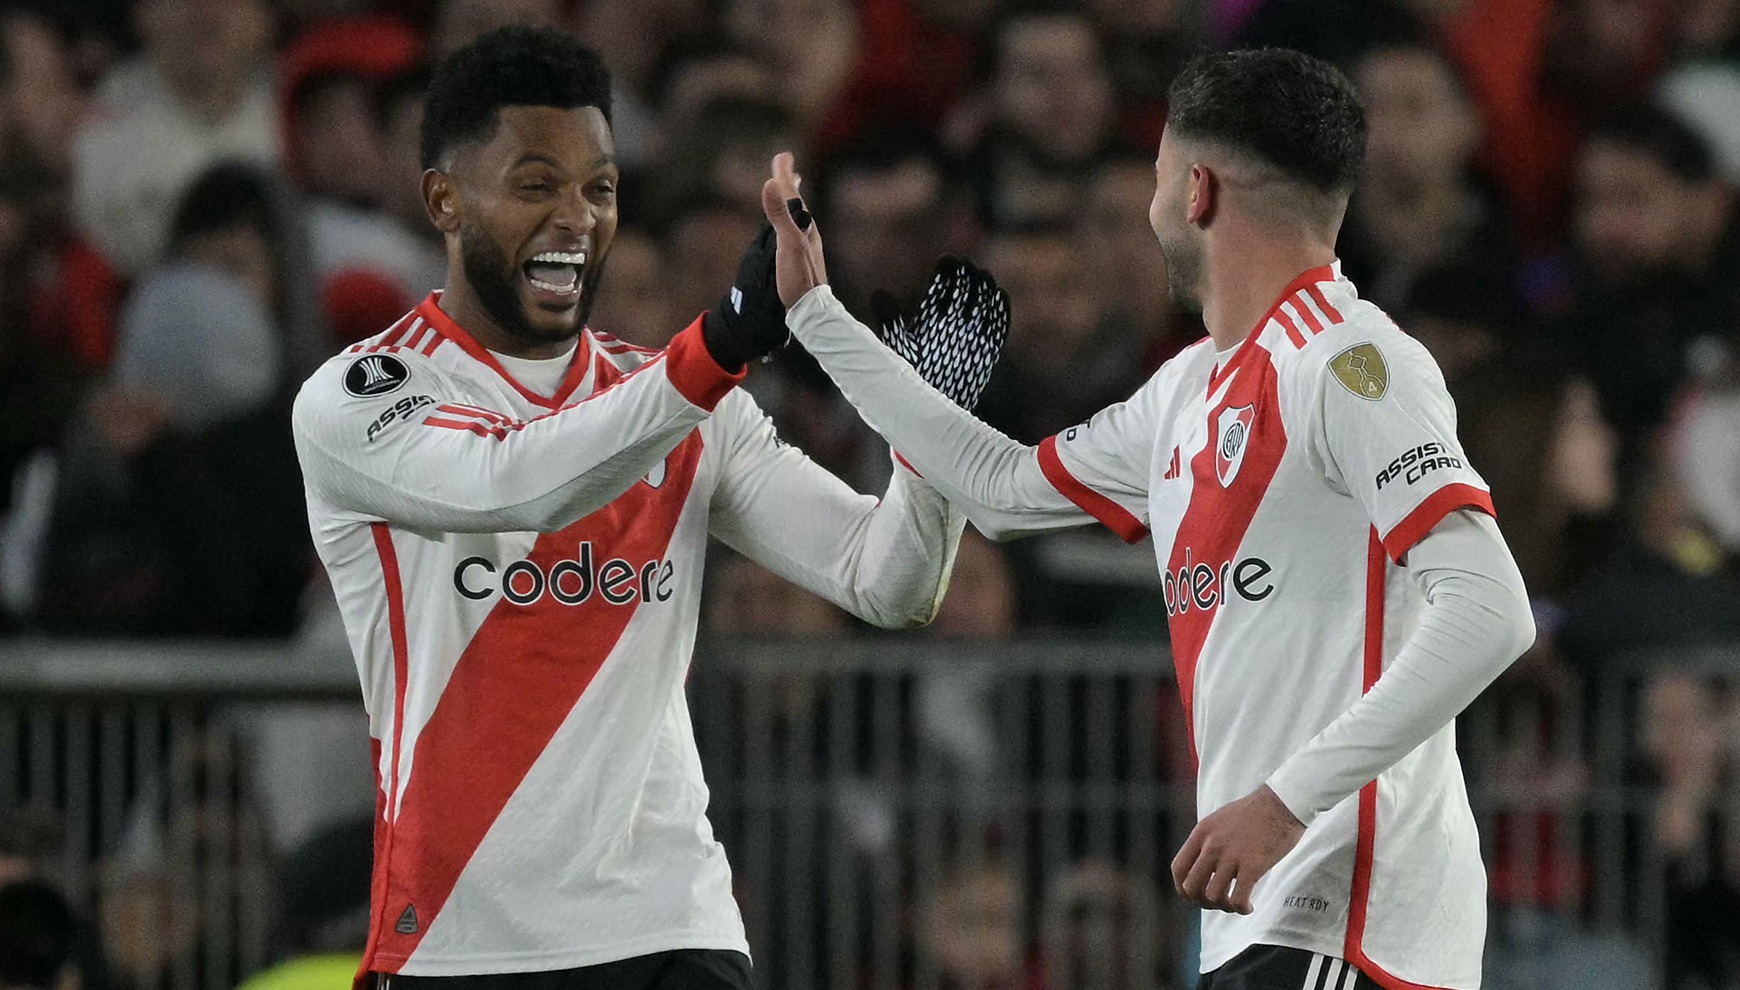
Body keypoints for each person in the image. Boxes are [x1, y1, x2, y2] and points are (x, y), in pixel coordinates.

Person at [766, 47, 1537, 989]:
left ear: (1199, 191)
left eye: (1159, 178)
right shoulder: (1187, 389)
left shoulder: (1350, 361)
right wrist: (816, 316)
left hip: (1352, 917)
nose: (1148, 205)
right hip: (1267, 917)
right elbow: (1001, 488)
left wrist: (1285, 803)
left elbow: (1491, 608)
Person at [290, 26, 1003, 988]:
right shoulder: (363, 396)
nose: (575, 218)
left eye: (600, 188)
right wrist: (715, 348)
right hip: (463, 939)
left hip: (672, 928)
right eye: (537, 185)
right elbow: (519, 485)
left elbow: (890, 584)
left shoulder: (688, 405)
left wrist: (929, 441)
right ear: (444, 201)